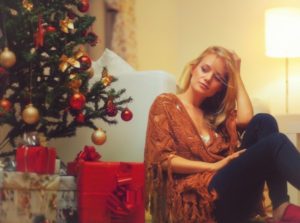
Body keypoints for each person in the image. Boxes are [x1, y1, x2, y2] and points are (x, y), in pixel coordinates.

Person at [144, 46, 300, 223]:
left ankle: (280, 205)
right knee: (276, 142)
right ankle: (282, 208)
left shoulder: (214, 114)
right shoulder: (165, 104)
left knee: (264, 121)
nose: (208, 78)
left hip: (232, 193)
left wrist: (237, 74)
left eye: (218, 78)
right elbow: (162, 160)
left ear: (220, 88)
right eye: (205, 69)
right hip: (201, 198)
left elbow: (246, 119)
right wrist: (212, 166)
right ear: (193, 68)